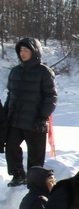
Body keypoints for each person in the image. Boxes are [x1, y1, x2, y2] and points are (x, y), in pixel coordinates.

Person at [4, 38, 57, 187]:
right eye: (21, 50)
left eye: (26, 50)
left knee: (36, 153)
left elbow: (51, 96)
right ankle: (18, 175)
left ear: (35, 52)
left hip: (35, 120)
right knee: (12, 147)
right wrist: (6, 116)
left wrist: (42, 116)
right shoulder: (15, 71)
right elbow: (11, 94)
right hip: (15, 119)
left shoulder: (44, 72)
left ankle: (34, 179)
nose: (23, 54)